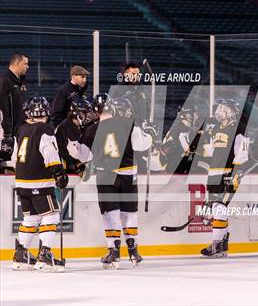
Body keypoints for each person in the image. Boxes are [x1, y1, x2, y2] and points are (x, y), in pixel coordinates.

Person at [67, 96, 156, 268]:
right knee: (129, 213)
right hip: (129, 175)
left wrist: (72, 148)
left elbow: (84, 156)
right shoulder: (129, 124)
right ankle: (133, 249)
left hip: (106, 176)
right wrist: (150, 132)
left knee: (110, 213)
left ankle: (114, 250)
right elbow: (142, 145)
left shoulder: (92, 129)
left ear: (96, 110)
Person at [10, 96, 68, 271]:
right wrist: (58, 172)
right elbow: (49, 151)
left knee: (31, 217)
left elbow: (14, 159)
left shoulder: (21, 130)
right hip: (40, 182)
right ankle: (45, 255)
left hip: (21, 182)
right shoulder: (45, 129)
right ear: (46, 111)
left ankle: (20, 255)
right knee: (51, 215)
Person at [200, 98, 249, 258]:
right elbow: (211, 152)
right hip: (213, 173)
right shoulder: (214, 129)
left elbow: (242, 154)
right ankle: (222, 246)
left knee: (220, 209)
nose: (219, 111)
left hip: (228, 174)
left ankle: (216, 245)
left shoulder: (239, 129)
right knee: (216, 210)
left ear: (231, 112)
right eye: (219, 108)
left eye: (223, 109)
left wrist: (237, 173)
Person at [55, 98, 92, 174]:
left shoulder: (85, 126)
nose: (87, 116)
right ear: (76, 114)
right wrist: (74, 165)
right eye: (84, 113)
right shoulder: (64, 127)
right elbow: (62, 151)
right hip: (69, 170)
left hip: (82, 165)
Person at [158, 105, 200, 174]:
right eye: (192, 114)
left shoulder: (184, 128)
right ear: (182, 115)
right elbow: (166, 149)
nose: (195, 116)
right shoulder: (179, 129)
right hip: (174, 170)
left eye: (195, 114)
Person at [0, 52, 29, 142]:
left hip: (20, 131)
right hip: (9, 135)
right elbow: (3, 109)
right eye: (25, 64)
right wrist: (7, 134)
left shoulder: (21, 81)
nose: (27, 67)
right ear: (16, 64)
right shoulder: (4, 81)